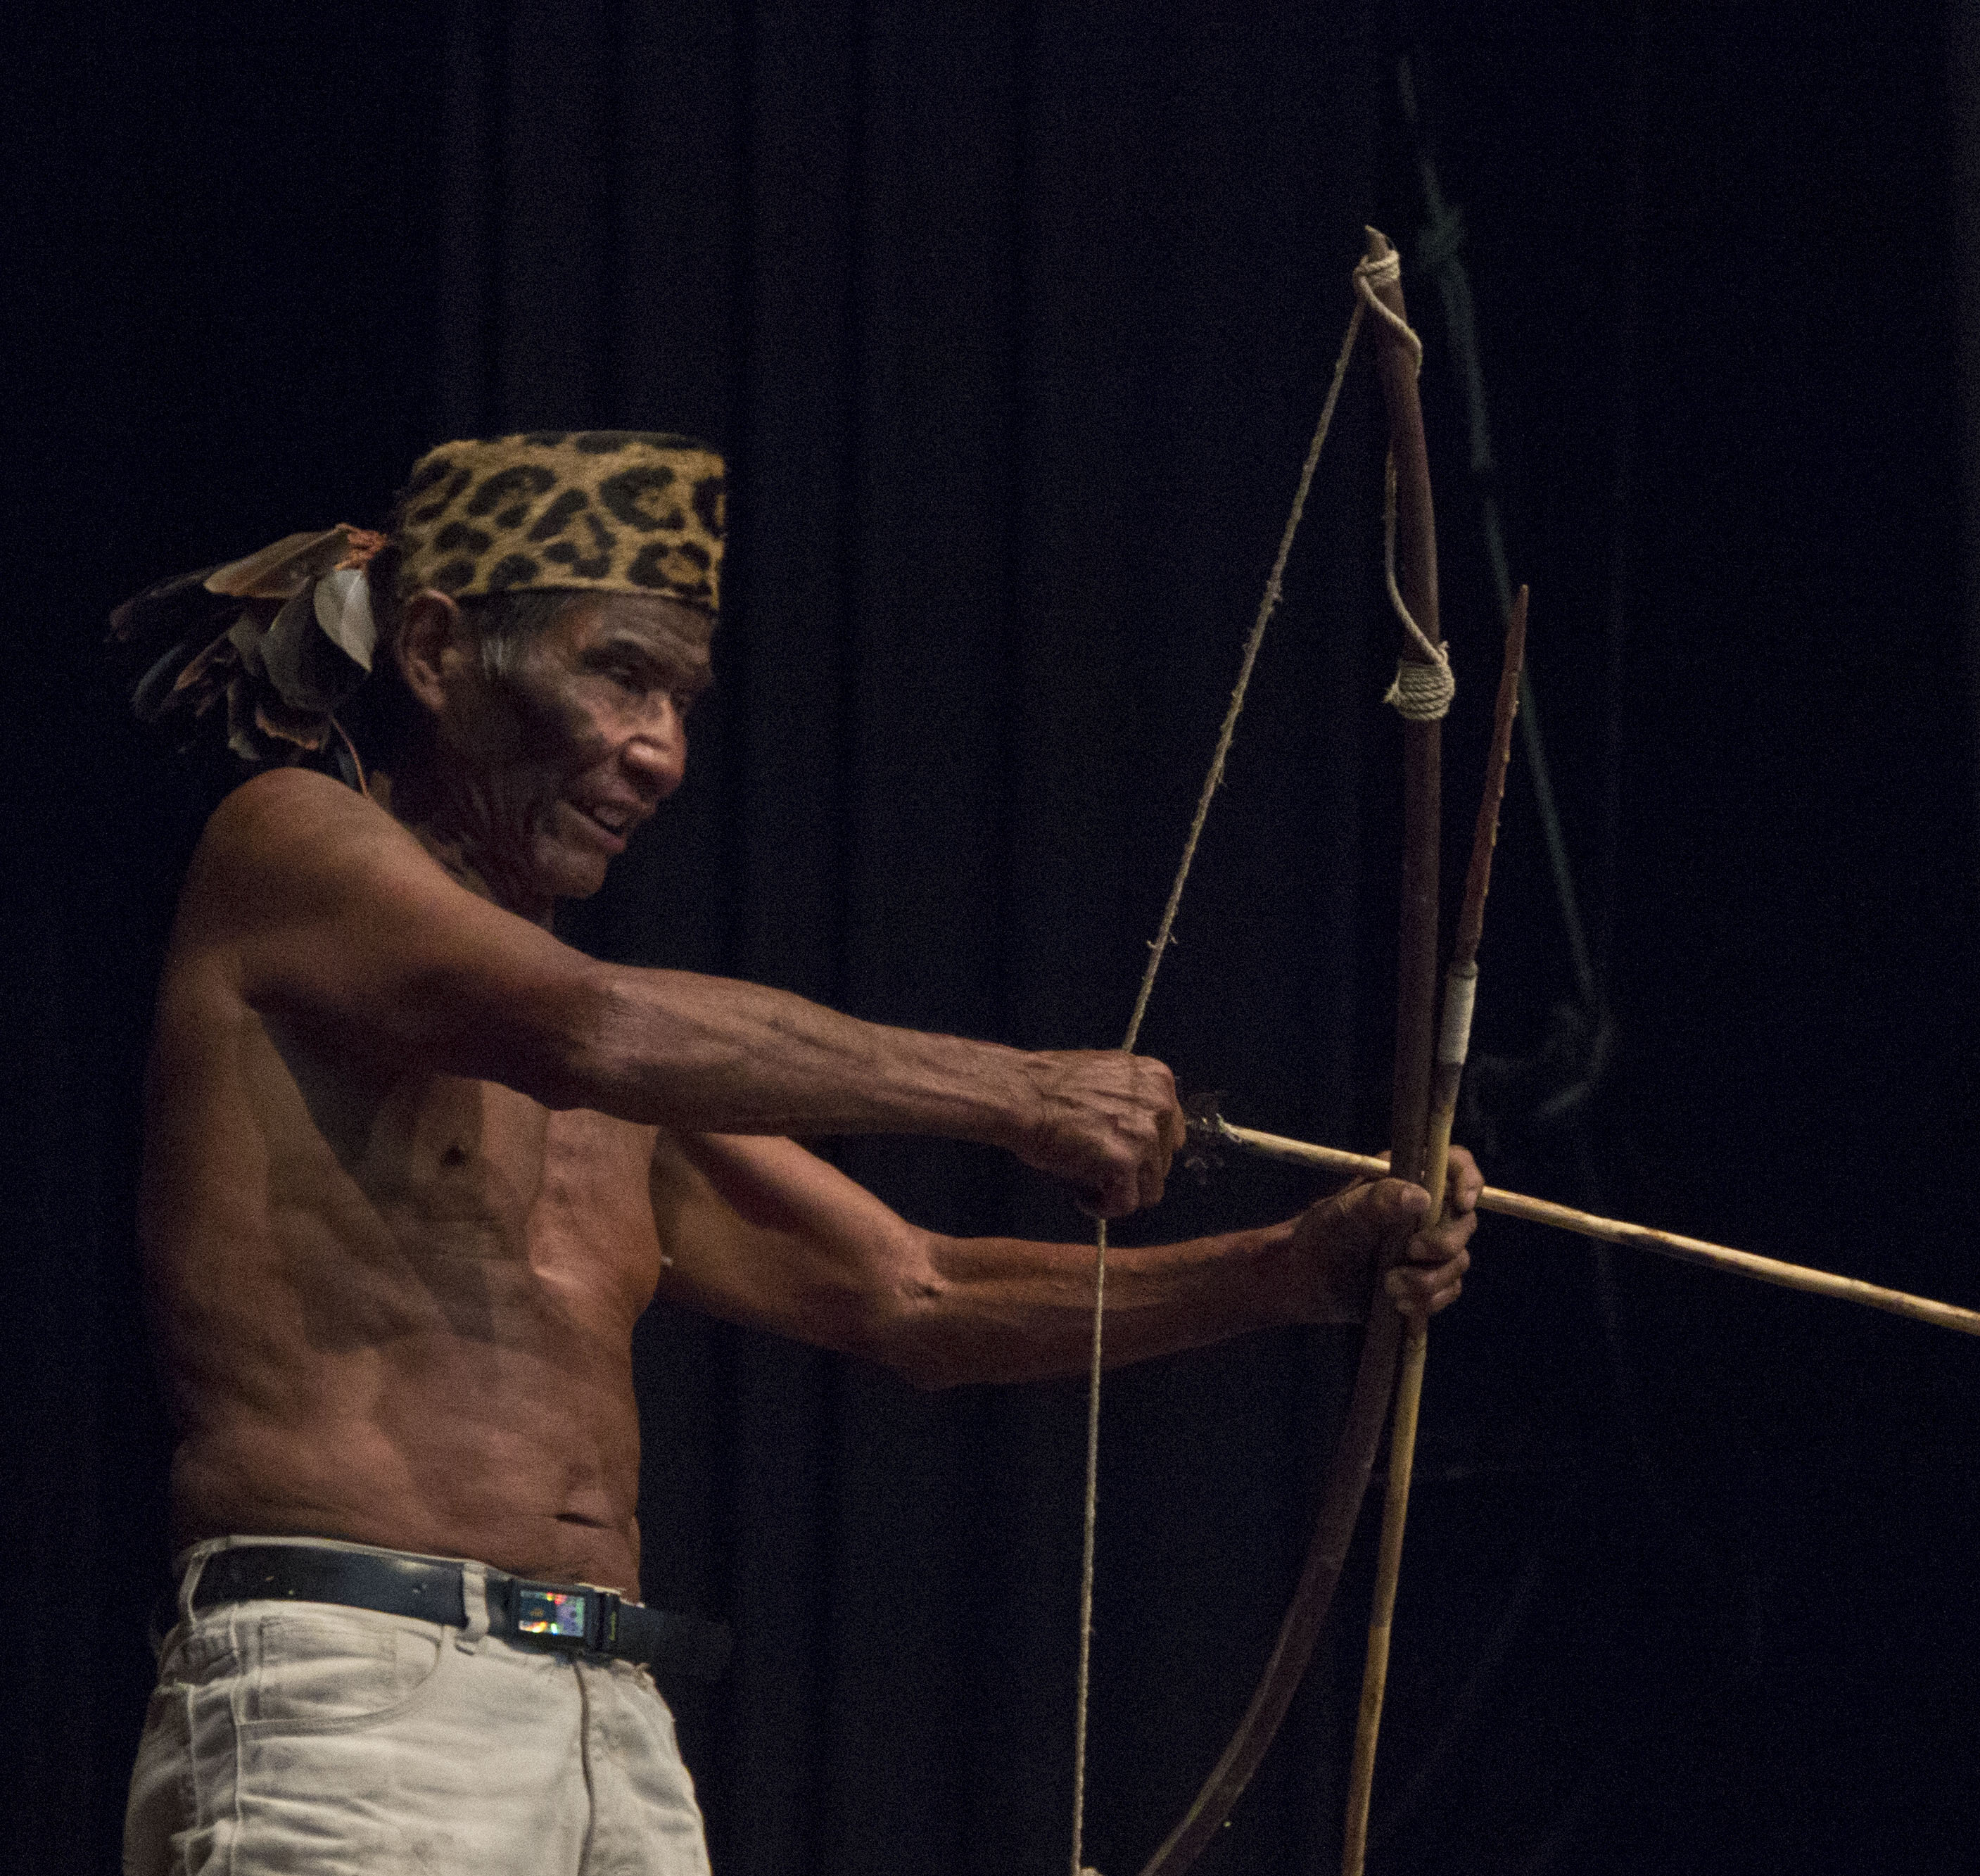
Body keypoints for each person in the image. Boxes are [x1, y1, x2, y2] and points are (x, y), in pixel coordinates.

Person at [114, 431, 1478, 1874]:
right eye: (619, 674)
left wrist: (1291, 1271)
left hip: (607, 1718)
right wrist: (1020, 1092)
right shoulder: (289, 849)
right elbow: (595, 1024)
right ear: (441, 652)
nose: (661, 750)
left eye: (681, 700)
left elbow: (918, 1295)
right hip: (358, 1690)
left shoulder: (603, 1062)